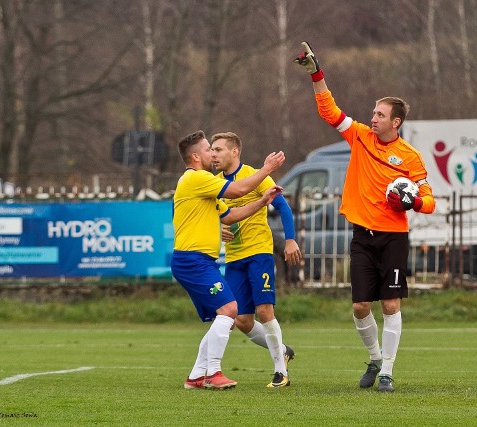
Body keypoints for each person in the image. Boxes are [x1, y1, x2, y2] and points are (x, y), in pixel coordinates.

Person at [294, 42, 436, 392]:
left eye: (379, 115)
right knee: (359, 306)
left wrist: (411, 202)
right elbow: (330, 111)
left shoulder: (410, 157)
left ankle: (387, 370)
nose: (372, 118)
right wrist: (316, 73)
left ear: (396, 121)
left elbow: (429, 200)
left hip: (394, 237)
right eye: (372, 113)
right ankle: (374, 358)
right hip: (362, 235)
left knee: (390, 303)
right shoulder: (360, 136)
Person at [171, 130, 285, 390]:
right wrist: (267, 168)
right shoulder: (197, 178)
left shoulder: (204, 184)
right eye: (208, 149)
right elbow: (238, 189)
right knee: (230, 310)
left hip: (200, 261)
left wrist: (263, 201)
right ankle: (213, 373)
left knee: (224, 314)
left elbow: (231, 216)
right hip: (192, 260)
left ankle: (197, 376)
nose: (213, 153)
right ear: (197, 156)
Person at [210, 132, 302, 388]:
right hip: (234, 257)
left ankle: (280, 372)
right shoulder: (215, 184)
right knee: (242, 320)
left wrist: (291, 239)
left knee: (264, 311)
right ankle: (282, 350)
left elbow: (281, 205)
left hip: (259, 251)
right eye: (212, 150)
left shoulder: (255, 174)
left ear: (234, 152)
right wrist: (219, 229)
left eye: (218, 149)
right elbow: (213, 216)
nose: (213, 155)